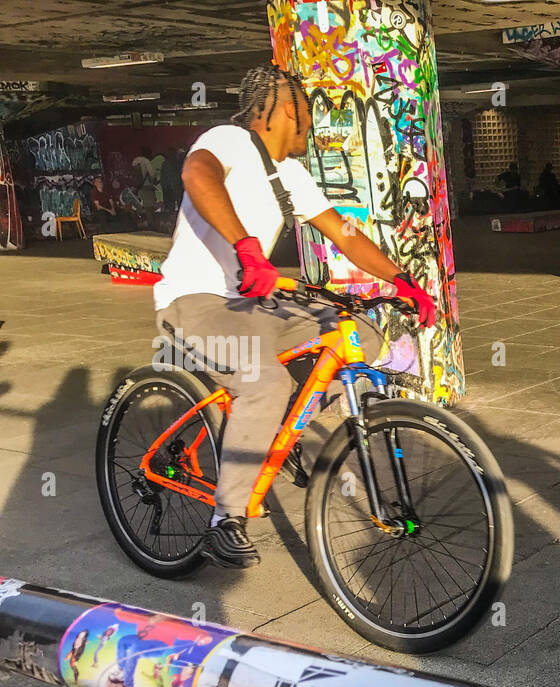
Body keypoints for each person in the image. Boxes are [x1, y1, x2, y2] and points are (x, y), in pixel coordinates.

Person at [152, 64, 437, 568]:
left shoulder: (292, 176)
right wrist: (246, 249)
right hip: (196, 300)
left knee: (361, 334)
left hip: (253, 302)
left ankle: (277, 426)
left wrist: (401, 281)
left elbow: (344, 235)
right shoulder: (230, 140)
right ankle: (227, 518)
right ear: (290, 108)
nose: (313, 123)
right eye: (310, 112)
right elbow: (197, 173)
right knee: (265, 382)